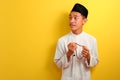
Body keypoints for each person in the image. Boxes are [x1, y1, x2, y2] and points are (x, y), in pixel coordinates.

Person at [54, 3, 99, 80]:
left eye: (75, 18)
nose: (71, 21)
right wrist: (68, 54)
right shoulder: (62, 40)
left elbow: (95, 62)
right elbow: (58, 64)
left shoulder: (92, 40)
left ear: (84, 21)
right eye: (70, 18)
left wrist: (88, 57)